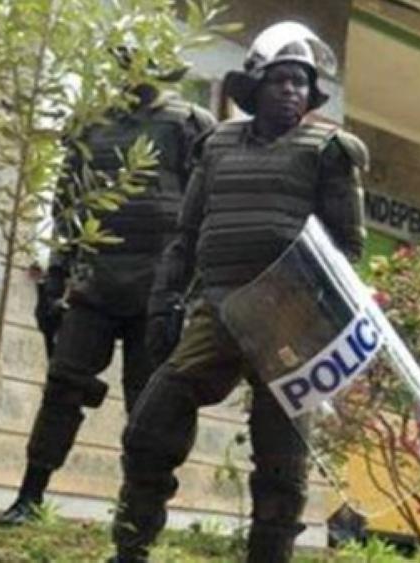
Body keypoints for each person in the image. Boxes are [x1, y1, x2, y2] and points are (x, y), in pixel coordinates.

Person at [110, 22, 368, 562]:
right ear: (255, 86)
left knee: (281, 463)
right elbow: (186, 235)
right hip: (220, 308)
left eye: (301, 82)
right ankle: (130, 549)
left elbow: (346, 249)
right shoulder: (217, 145)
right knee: (152, 423)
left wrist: (313, 310)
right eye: (280, 80)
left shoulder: (329, 151)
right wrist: (164, 302)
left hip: (290, 320)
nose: (292, 90)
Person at [0, 51, 215, 526]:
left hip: (159, 289)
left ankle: (137, 512)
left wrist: (191, 292)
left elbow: (204, 211)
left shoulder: (190, 124)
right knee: (63, 386)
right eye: (130, 61)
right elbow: (67, 206)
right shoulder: (91, 126)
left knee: (149, 404)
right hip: (94, 284)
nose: (138, 71)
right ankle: (30, 496)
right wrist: (55, 277)